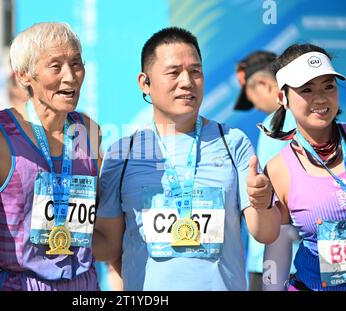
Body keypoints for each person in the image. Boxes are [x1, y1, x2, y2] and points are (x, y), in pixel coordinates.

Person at [93, 27, 280, 290]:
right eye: (173, 72)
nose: (187, 82)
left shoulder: (233, 142)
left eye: (195, 71)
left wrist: (263, 204)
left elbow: (267, 232)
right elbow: (108, 246)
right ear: (145, 83)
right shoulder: (122, 154)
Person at [0, 22, 101, 291]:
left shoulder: (88, 130)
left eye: (76, 63)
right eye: (56, 66)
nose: (70, 77)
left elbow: (100, 216)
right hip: (21, 283)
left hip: (84, 284)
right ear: (25, 76)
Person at [265, 43, 346, 291]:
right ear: (282, 98)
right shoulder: (278, 169)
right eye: (307, 89)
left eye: (328, 86)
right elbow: (277, 251)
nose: (320, 98)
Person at [234, 51, 300, 290]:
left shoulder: (276, 124)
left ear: (264, 84)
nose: (254, 106)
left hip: (274, 262)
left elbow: (275, 195)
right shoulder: (318, 123)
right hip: (313, 260)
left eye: (252, 98)